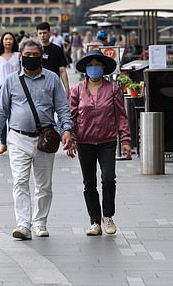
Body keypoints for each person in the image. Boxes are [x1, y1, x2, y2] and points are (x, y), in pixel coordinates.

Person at [0, 39, 73, 240]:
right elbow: (1, 110)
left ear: (41, 56)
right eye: (27, 55)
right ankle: (23, 224)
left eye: (35, 55)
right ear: (21, 56)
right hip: (18, 138)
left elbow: (62, 107)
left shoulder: (52, 79)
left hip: (45, 138)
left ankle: (40, 222)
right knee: (20, 181)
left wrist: (67, 130)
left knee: (43, 185)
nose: (31, 59)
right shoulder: (10, 80)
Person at [68, 50, 131, 236]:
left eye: (97, 65)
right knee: (89, 183)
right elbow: (70, 117)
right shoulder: (77, 89)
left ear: (103, 68)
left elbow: (121, 116)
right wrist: (69, 137)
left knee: (108, 179)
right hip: (84, 141)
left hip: (107, 141)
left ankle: (108, 216)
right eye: (91, 65)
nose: (94, 68)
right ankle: (95, 221)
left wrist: (126, 140)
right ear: (85, 68)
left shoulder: (113, 89)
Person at [36, 22, 70, 98]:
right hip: (36, 86)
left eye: (44, 33)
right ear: (37, 34)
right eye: (40, 33)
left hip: (53, 86)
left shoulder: (57, 49)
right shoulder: (34, 50)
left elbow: (62, 70)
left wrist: (67, 89)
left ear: (49, 33)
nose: (42, 35)